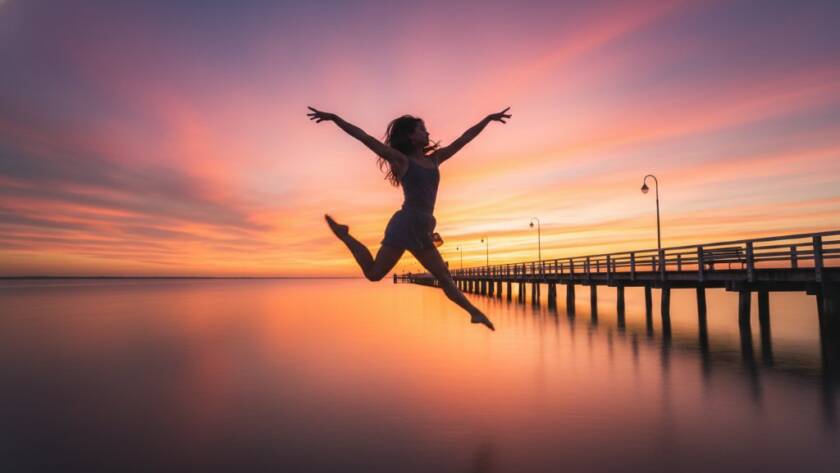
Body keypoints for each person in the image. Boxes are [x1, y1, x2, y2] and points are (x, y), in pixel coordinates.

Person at [307, 106, 512, 330]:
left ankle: (475, 313)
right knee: (374, 274)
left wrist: (488, 119)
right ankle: (344, 235)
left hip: (423, 228)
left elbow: (464, 139)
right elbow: (364, 138)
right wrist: (335, 118)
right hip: (406, 224)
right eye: (421, 129)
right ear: (410, 137)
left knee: (444, 277)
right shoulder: (402, 160)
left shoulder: (435, 159)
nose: (427, 133)